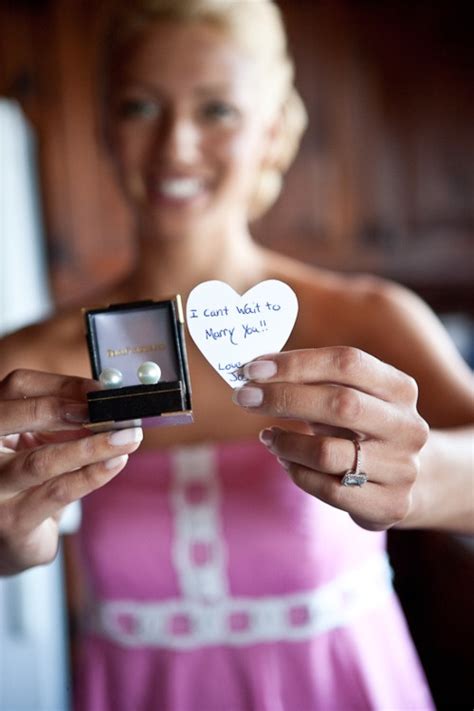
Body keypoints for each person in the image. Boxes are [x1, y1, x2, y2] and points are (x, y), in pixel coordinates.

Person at [0, 0, 472, 708]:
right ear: (103, 126)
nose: (175, 147)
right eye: (138, 107)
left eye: (216, 110)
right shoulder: (31, 362)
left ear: (274, 129)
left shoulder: (368, 318)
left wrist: (425, 473)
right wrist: (9, 545)